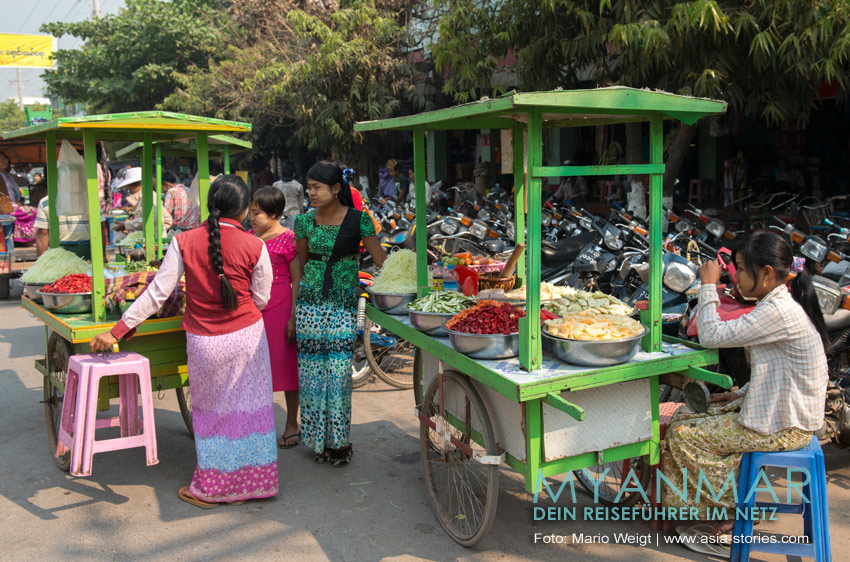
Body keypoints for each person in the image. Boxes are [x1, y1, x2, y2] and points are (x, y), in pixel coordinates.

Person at [90, 175, 278, 509]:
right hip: (248, 337)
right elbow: (261, 297)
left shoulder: (184, 241)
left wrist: (117, 330)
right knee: (249, 411)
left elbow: (157, 295)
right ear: (245, 209)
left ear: (210, 205)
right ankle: (253, 483)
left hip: (205, 342)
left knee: (212, 413)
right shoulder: (256, 245)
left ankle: (215, 488)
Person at [661, 231, 828, 538]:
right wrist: (738, 393)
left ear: (766, 274)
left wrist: (708, 285)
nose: (735, 277)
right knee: (684, 416)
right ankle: (702, 507)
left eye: (741, 269)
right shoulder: (774, 303)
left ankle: (733, 513)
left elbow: (711, 336)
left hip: (787, 426)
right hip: (782, 414)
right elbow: (781, 372)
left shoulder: (778, 310)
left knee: (683, 433)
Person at [294, 161, 387, 466]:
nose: (312, 193)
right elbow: (302, 266)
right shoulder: (304, 222)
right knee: (311, 375)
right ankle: (317, 443)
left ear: (336, 189)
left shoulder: (360, 221)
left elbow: (380, 260)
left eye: (317, 187)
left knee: (337, 374)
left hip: (343, 304)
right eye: (309, 188)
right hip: (309, 305)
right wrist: (293, 313)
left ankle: (339, 442)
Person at [249, 187, 302, 448]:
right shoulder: (248, 236)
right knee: (255, 370)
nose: (251, 218)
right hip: (251, 308)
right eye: (250, 212)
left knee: (286, 367)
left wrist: (293, 317)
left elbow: (297, 279)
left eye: (256, 213)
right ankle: (259, 424)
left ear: (274, 214)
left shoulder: (288, 238)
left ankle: (292, 421)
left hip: (280, 306)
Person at [112, 167, 173, 235]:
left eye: (129, 187)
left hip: (153, 240)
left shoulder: (149, 196)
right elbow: (167, 219)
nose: (129, 191)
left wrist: (126, 225)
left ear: (138, 185)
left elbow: (152, 219)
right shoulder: (143, 197)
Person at [274, 161, 304, 230]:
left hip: (279, 216)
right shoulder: (298, 186)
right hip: (294, 215)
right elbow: (300, 204)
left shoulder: (276, 185)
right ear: (293, 174)